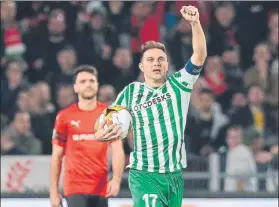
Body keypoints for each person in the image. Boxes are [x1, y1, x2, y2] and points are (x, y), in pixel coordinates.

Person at [95, 6, 207, 207]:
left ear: (167, 64)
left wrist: (195, 23)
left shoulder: (179, 84)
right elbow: (103, 119)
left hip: (174, 175)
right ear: (141, 66)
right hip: (144, 174)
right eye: (150, 59)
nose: (156, 63)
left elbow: (199, 55)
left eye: (161, 59)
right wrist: (98, 133)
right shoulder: (131, 92)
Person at [50, 65, 125, 207]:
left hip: (101, 188)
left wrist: (116, 179)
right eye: (83, 82)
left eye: (91, 81)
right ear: (75, 87)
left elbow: (117, 150)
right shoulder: (64, 117)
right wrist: (53, 192)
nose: (88, 85)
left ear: (97, 85)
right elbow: (57, 156)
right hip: (74, 188)